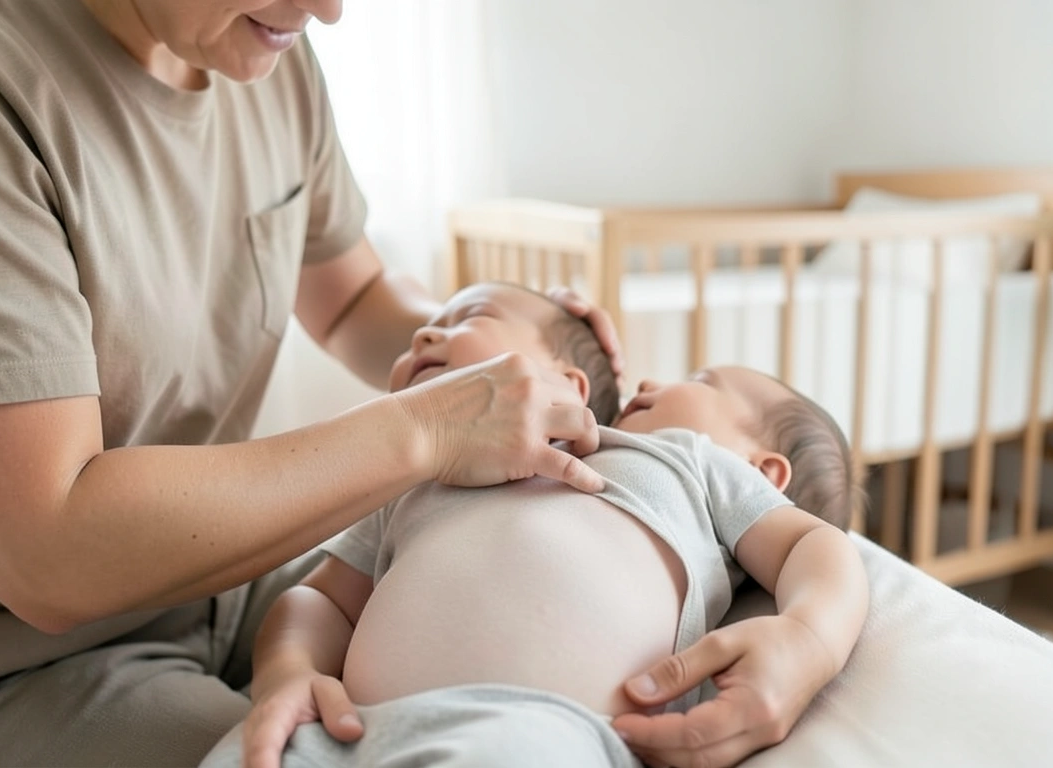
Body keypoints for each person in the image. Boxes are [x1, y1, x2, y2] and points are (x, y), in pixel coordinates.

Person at [0, 2, 622, 765]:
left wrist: (497, 338)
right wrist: (430, 426)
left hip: (217, 585)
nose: (329, 11)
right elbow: (49, 557)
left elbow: (352, 300)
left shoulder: (262, 46)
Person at [207, 282, 869, 768]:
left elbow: (819, 546)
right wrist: (288, 671)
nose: (422, 336)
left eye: (700, 379)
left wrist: (809, 637)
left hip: (530, 732)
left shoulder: (692, 466)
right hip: (345, 730)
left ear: (764, 471)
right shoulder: (418, 475)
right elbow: (320, 599)